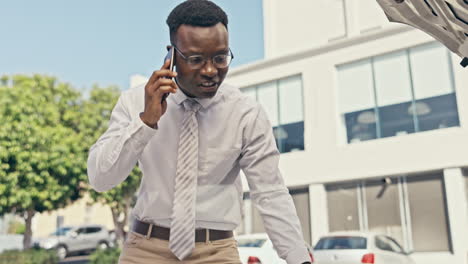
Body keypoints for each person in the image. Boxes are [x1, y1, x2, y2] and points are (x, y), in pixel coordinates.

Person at [87, 1, 311, 263]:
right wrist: (145, 122)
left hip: (216, 251)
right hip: (145, 249)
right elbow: (101, 178)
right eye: (195, 59)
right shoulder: (135, 103)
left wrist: (299, 258)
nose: (210, 71)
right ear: (171, 55)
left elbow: (270, 191)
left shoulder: (246, 114)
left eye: (220, 57)